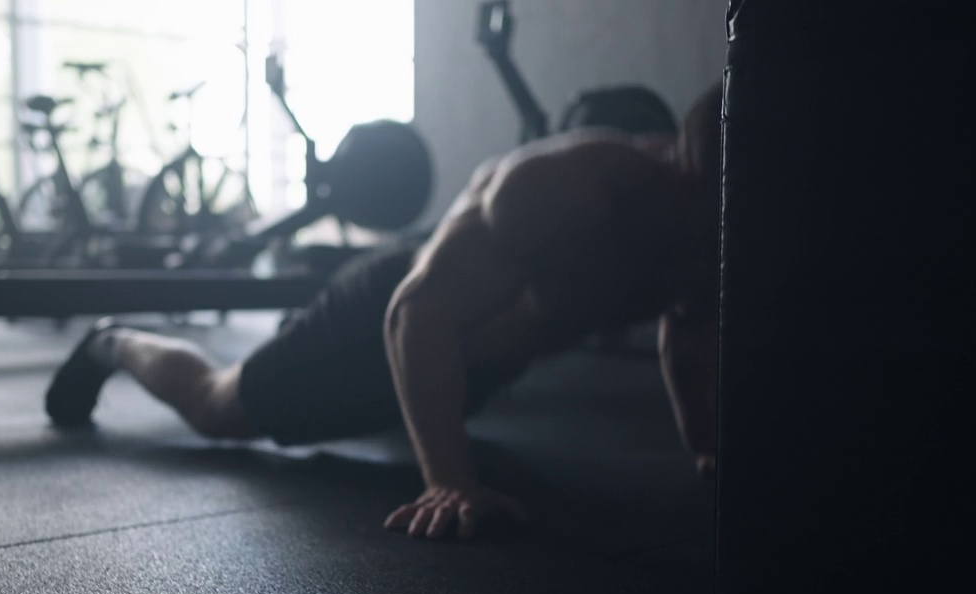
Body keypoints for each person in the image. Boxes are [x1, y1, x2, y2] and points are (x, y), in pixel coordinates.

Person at [44, 81, 723, 542]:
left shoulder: (708, 228)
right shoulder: (558, 190)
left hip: (468, 362)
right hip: (382, 318)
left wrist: (707, 455)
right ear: (688, 161)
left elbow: (686, 324)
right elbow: (415, 314)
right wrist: (450, 482)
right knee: (219, 406)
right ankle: (112, 341)